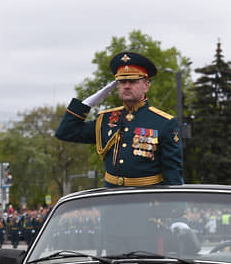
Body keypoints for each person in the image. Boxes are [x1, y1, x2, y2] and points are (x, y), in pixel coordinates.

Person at [55, 51, 183, 187]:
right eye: (122, 82)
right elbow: (66, 132)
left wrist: (173, 206)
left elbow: (173, 174)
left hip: (148, 199)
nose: (127, 86)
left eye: (133, 81)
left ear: (146, 86)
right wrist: (87, 104)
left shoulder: (164, 122)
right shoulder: (106, 119)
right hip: (111, 198)